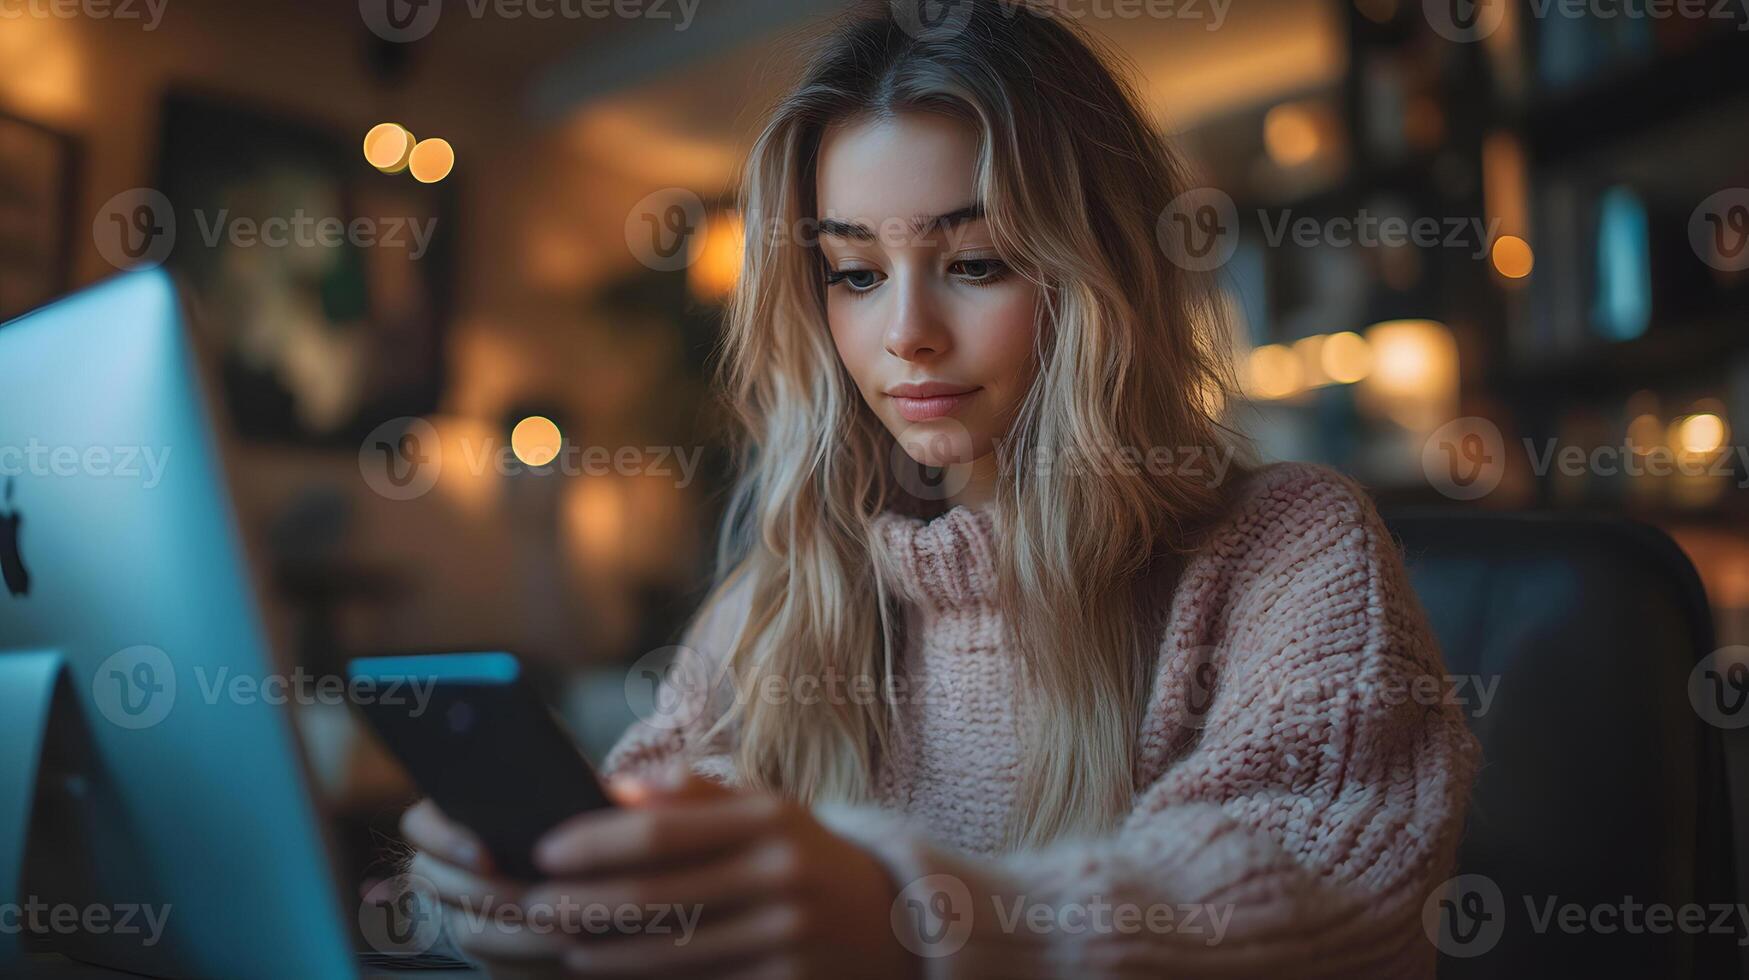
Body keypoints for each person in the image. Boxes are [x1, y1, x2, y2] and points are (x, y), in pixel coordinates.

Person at [400, 2, 1481, 976]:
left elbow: (1307, 882)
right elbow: (649, 855)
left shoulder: (1291, 548)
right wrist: (529, 902)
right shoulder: (782, 596)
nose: (906, 333)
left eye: (977, 261)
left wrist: (915, 921)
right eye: (856, 273)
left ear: (1098, 276)